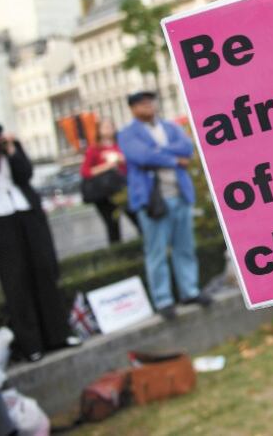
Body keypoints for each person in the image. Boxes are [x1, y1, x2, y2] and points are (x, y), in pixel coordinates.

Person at [117, 92, 211, 321]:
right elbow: (141, 157)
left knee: (185, 246)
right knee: (157, 251)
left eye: (151, 102)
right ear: (133, 108)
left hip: (180, 194)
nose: (149, 106)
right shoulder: (128, 134)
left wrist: (160, 153)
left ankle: (190, 291)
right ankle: (163, 299)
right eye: (142, 103)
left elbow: (187, 147)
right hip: (153, 201)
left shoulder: (169, 127)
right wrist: (172, 159)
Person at [0, 123, 80, 362]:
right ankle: (31, 343)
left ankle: (59, 334)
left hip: (26, 212)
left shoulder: (12, 148)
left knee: (44, 270)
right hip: (2, 221)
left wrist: (11, 149)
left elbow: (25, 173)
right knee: (16, 281)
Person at [80, 119, 137, 244]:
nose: (108, 130)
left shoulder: (121, 145)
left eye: (111, 126)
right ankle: (118, 254)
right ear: (99, 130)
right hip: (104, 193)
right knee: (112, 225)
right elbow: (85, 172)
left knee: (136, 217)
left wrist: (121, 160)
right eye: (105, 127)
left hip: (122, 188)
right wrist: (108, 165)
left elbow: (131, 165)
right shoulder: (94, 149)